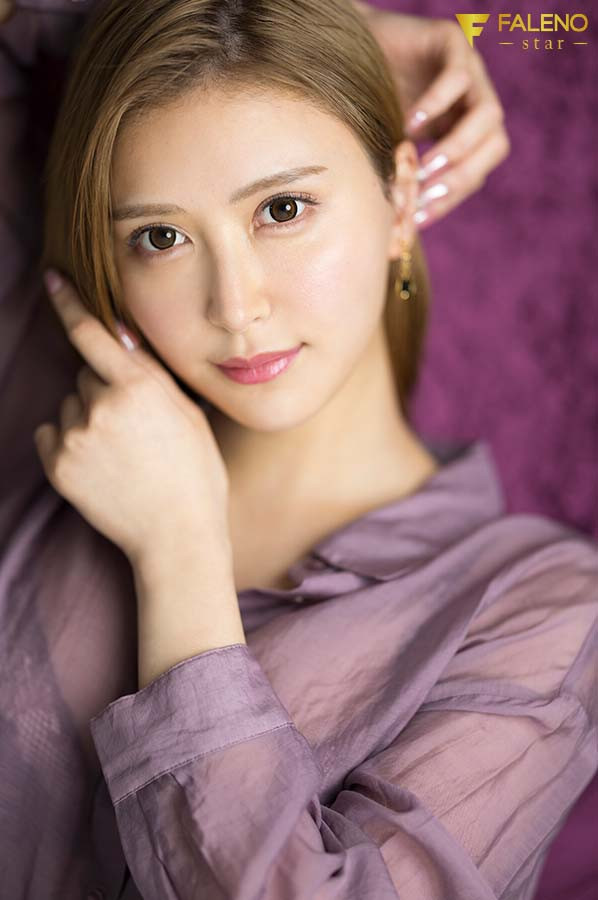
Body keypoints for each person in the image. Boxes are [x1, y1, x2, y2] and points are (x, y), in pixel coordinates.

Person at [0, 2, 595, 899]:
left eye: (282, 209)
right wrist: (287, 12)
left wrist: (180, 553)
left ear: (399, 199)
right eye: (160, 237)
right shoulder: (58, 413)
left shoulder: (544, 605)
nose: (235, 306)